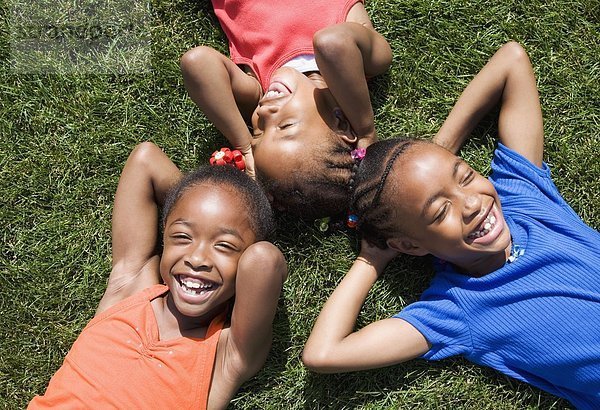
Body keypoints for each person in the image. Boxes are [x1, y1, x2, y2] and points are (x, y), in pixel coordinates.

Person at [302, 42, 600, 408]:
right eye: (440, 212)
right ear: (410, 246)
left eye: (465, 176)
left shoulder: (524, 199)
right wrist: (370, 261)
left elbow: (511, 59)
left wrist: (440, 150)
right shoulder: (456, 308)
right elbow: (323, 354)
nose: (473, 204)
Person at [29, 143, 287, 409]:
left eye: (224, 246)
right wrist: (195, 193)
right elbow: (145, 158)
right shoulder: (128, 288)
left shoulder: (227, 354)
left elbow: (264, 260)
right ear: (164, 236)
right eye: (182, 237)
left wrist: (245, 201)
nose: (197, 259)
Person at [180, 0, 392, 219]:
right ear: (340, 122)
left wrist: (244, 146)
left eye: (259, 132)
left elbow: (197, 63)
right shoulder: (363, 64)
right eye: (285, 125)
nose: (264, 113)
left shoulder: (262, 91)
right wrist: (365, 130)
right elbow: (331, 43)